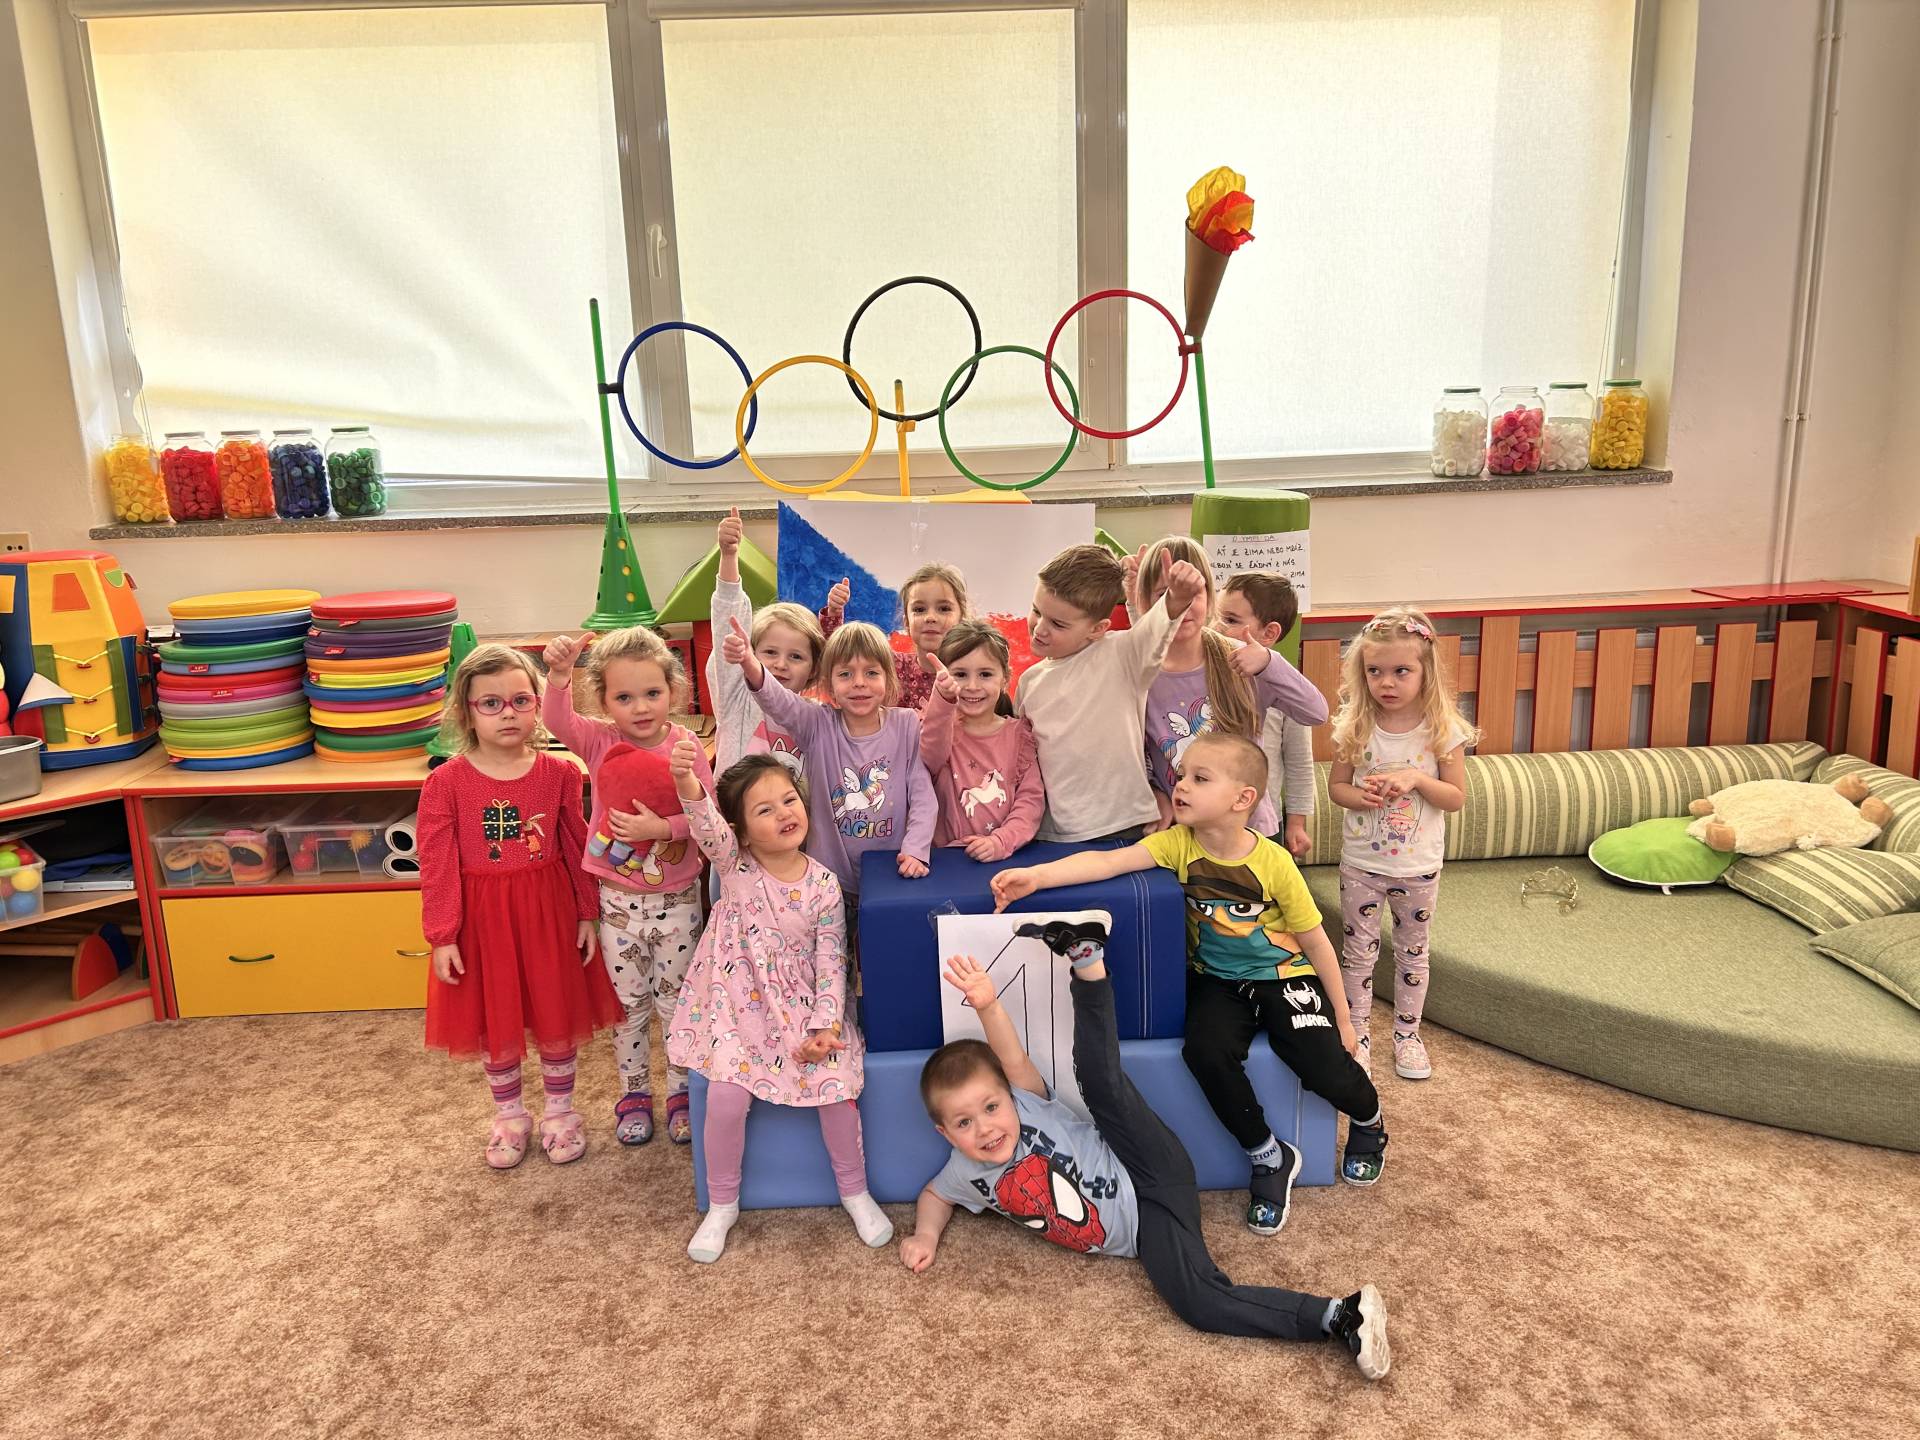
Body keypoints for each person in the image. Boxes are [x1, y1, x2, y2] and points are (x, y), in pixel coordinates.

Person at [902, 932, 1390, 1380]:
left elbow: (1011, 1059)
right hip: (1147, 1225)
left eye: (991, 1107)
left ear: (1008, 1097)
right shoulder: (964, 1173)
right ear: (944, 1132)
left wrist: (987, 1005)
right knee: (1200, 1303)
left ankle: (1088, 964)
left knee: (1099, 1085)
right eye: (964, 1123)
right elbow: (934, 1195)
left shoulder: (1026, 1102)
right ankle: (1341, 1314)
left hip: (1141, 1160)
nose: (985, 1128)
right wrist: (925, 1234)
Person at [991, 731, 1391, 1206]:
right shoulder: (1178, 844)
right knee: (1204, 1053)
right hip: (1216, 981)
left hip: (1285, 975)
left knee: (1321, 1061)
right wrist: (1036, 877)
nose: (1180, 786)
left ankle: (1369, 1119)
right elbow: (1108, 862)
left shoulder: (1275, 863)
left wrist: (1344, 1017)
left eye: (1200, 779)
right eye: (1182, 776)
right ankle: (1267, 1154)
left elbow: (1317, 942)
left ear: (1242, 799)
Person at [664, 740, 891, 1262]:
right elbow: (706, 827)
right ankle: (722, 1204)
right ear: (742, 832)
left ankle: (855, 1192)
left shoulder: (825, 884)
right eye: (764, 810)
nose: (784, 813)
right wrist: (686, 783)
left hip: (806, 1008)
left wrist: (824, 1026)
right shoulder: (736, 868)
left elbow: (832, 960)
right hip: (739, 1008)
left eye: (789, 800)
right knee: (725, 1097)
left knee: (837, 1090)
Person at [419, 645, 623, 1169]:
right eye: (491, 703)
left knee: (555, 1012)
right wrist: (443, 934)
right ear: (466, 713)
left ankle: (560, 1111)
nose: (507, 713)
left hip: (547, 912)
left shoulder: (559, 773)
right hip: (483, 920)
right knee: (496, 1018)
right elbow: (437, 862)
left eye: (520, 700)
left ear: (537, 704)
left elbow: (576, 844)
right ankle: (509, 1116)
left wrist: (587, 911)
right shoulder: (445, 782)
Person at [542, 626, 713, 1146]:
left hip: (678, 900)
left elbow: (708, 818)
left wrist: (663, 828)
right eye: (624, 697)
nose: (640, 707)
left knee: (677, 1005)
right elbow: (557, 721)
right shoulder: (600, 741)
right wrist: (558, 676)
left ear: (673, 692)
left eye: (652, 693)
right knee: (630, 1008)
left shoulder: (686, 745)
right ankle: (634, 1094)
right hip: (617, 905)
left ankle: (682, 1092)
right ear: (604, 702)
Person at [1328, 606, 1476, 1080]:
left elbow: (1454, 798)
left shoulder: (1443, 730)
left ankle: (1408, 1036)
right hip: (1361, 865)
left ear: (1425, 670)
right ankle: (1357, 1036)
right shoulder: (1354, 724)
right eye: (1375, 671)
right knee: (1358, 955)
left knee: (1413, 953)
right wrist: (1362, 796)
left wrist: (1416, 779)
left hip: (1418, 867)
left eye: (1400, 671)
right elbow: (1337, 789)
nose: (1386, 683)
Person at [1127, 538, 1327, 841]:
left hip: (1250, 835)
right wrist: (1155, 792)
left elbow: (1316, 713)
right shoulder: (1137, 671)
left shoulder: (1243, 658)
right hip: (1179, 838)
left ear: (1210, 598)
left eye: (1193, 593)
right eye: (1165, 594)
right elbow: (1134, 752)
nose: (1181, 604)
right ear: (1143, 603)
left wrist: (1269, 662)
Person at [721, 614, 935, 897]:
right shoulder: (816, 723)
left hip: (890, 871)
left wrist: (916, 849)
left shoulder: (906, 725)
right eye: (845, 674)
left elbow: (922, 796)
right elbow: (779, 701)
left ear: (888, 677)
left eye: (871, 673)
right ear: (829, 684)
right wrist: (750, 663)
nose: (859, 683)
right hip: (828, 882)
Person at [1017, 543, 1204, 843]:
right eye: (1037, 611)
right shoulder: (1029, 682)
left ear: (1097, 629)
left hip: (1125, 826)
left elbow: (1155, 630)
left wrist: (1177, 598)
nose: (1040, 628)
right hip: (1056, 832)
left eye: (1058, 624)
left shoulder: (1123, 654)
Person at [708, 506, 828, 773]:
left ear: (814, 668)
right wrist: (729, 556)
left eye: (796, 656)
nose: (780, 664)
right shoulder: (737, 696)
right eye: (770, 652)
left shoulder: (814, 717)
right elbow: (728, 618)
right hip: (734, 802)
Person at [919, 619, 1044, 861]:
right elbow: (930, 757)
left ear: (1005, 679)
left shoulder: (1020, 737)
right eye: (960, 674)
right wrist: (942, 700)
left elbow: (1030, 802)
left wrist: (1001, 841)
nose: (972, 686)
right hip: (944, 861)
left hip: (1004, 857)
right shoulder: (938, 729)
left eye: (985, 674)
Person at [1214, 570, 1317, 858]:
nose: (1217, 627)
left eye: (1230, 620)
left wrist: (1297, 823)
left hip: (1261, 820)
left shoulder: (1283, 684)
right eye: (1216, 616)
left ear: (1269, 633)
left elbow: (1299, 760)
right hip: (1211, 815)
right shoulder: (1205, 672)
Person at [821, 561, 970, 712]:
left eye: (944, 609)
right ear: (907, 623)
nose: (930, 617)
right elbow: (839, 653)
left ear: (962, 619)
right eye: (919, 609)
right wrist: (834, 613)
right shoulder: (891, 665)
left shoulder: (973, 674)